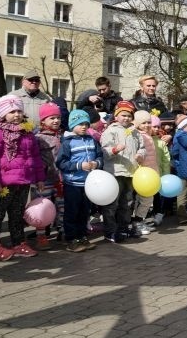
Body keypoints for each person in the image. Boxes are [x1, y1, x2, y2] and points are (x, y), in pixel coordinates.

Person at [0, 95, 46, 261]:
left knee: (17, 214)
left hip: (23, 181)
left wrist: (39, 177)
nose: (16, 115)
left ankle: (19, 242)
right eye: (11, 111)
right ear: (3, 113)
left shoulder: (27, 131)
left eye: (18, 111)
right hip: (3, 183)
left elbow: (35, 156)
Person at [56, 110, 102, 252]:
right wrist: (79, 166)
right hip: (73, 184)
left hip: (88, 184)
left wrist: (96, 163)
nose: (83, 127)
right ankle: (71, 239)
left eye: (86, 124)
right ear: (72, 125)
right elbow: (61, 163)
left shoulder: (92, 140)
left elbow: (100, 156)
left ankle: (82, 236)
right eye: (80, 124)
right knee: (72, 212)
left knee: (84, 212)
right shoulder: (67, 142)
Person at [100, 100, 145, 242]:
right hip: (115, 172)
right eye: (123, 115)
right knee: (112, 203)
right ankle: (110, 231)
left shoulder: (135, 132)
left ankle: (123, 228)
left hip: (130, 172)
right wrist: (114, 150)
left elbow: (142, 147)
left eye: (129, 115)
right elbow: (105, 150)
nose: (126, 118)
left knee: (127, 202)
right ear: (116, 115)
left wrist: (140, 155)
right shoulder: (110, 131)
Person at [34, 102, 64, 249]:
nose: (56, 121)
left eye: (58, 117)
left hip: (60, 179)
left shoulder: (62, 136)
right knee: (42, 208)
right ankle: (41, 235)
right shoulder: (38, 138)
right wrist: (39, 176)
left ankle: (62, 231)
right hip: (44, 180)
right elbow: (35, 159)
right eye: (52, 118)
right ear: (43, 121)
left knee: (61, 206)